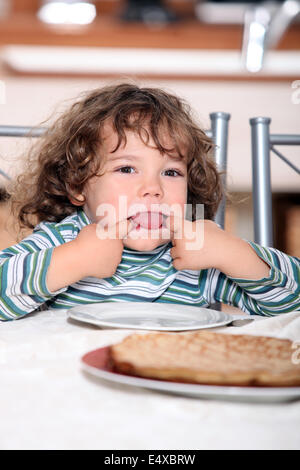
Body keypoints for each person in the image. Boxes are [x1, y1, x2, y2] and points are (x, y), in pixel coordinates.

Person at [0, 83, 299, 321]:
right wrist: (73, 260)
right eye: (127, 169)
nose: (153, 189)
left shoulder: (196, 256)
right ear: (78, 184)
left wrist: (234, 254)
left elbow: (291, 307)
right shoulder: (58, 242)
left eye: (170, 172)